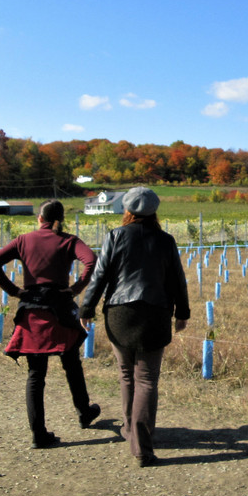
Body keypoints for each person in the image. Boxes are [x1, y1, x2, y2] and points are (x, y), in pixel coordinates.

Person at [79, 186, 190, 467]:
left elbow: (100, 275)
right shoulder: (166, 240)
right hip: (156, 313)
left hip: (119, 313)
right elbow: (177, 279)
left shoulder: (115, 236)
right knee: (147, 379)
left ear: (127, 210)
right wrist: (182, 312)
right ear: (154, 211)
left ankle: (131, 431)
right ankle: (142, 446)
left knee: (126, 374)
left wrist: (87, 307)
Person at [0, 200, 101, 449]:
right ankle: (84, 412)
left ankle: (39, 434)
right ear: (61, 219)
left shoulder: (23, 240)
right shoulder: (69, 240)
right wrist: (75, 288)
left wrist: (14, 291)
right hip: (59, 307)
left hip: (31, 309)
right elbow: (91, 260)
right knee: (71, 362)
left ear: (40, 218)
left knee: (35, 375)